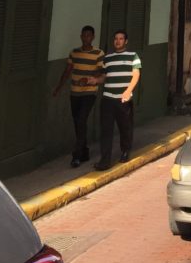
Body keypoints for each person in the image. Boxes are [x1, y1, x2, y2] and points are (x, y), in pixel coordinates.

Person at [52, 25, 104, 168]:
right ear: (81, 36)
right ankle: (85, 150)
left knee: (81, 119)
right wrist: (58, 87)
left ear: (93, 37)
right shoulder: (74, 53)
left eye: (89, 35)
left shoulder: (98, 53)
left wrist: (87, 79)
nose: (86, 38)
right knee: (77, 122)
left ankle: (77, 155)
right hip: (75, 92)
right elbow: (68, 70)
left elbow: (100, 72)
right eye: (84, 35)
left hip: (89, 92)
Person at [89, 30, 141, 170]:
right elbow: (104, 77)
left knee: (125, 127)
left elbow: (136, 75)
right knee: (106, 131)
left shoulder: (133, 56)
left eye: (121, 39)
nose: (118, 41)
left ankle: (125, 151)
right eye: (116, 39)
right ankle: (104, 161)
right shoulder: (108, 58)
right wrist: (96, 80)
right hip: (107, 99)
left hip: (123, 100)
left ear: (126, 41)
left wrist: (128, 91)